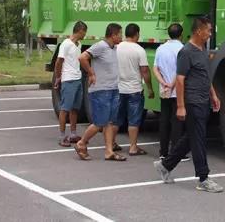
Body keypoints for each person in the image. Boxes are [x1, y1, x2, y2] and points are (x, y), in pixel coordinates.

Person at [154, 17, 223, 193]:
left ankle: (165, 165)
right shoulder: (186, 52)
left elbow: (205, 76)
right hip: (193, 102)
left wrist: (213, 95)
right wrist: (180, 106)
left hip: (204, 100)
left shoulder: (202, 50)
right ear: (198, 31)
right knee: (199, 139)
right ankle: (203, 178)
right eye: (208, 30)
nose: (210, 33)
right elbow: (180, 79)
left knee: (191, 137)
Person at [74, 23, 125, 161]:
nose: (122, 37)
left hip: (113, 89)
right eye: (120, 34)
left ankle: (109, 151)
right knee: (99, 123)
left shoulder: (114, 48)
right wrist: (91, 73)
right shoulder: (100, 46)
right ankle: (81, 143)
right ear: (113, 35)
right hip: (100, 90)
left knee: (109, 122)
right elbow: (82, 57)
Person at [117, 23, 154, 156]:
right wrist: (150, 88)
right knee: (134, 120)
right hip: (134, 90)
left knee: (116, 118)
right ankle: (133, 147)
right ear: (137, 34)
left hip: (119, 89)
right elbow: (145, 71)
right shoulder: (139, 50)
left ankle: (111, 144)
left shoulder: (117, 47)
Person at [154, 23, 189, 160]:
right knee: (177, 122)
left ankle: (163, 152)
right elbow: (180, 71)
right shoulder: (182, 49)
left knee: (164, 120)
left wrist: (163, 83)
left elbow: (155, 69)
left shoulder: (160, 48)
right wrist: (172, 84)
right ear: (181, 34)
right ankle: (176, 152)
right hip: (177, 91)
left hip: (164, 90)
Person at [54, 21, 87, 147]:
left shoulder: (78, 44)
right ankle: (62, 136)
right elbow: (59, 62)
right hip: (68, 80)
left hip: (78, 79)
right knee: (65, 109)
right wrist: (58, 77)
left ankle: (73, 134)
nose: (85, 35)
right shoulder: (66, 44)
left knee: (75, 109)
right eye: (85, 32)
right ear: (80, 31)